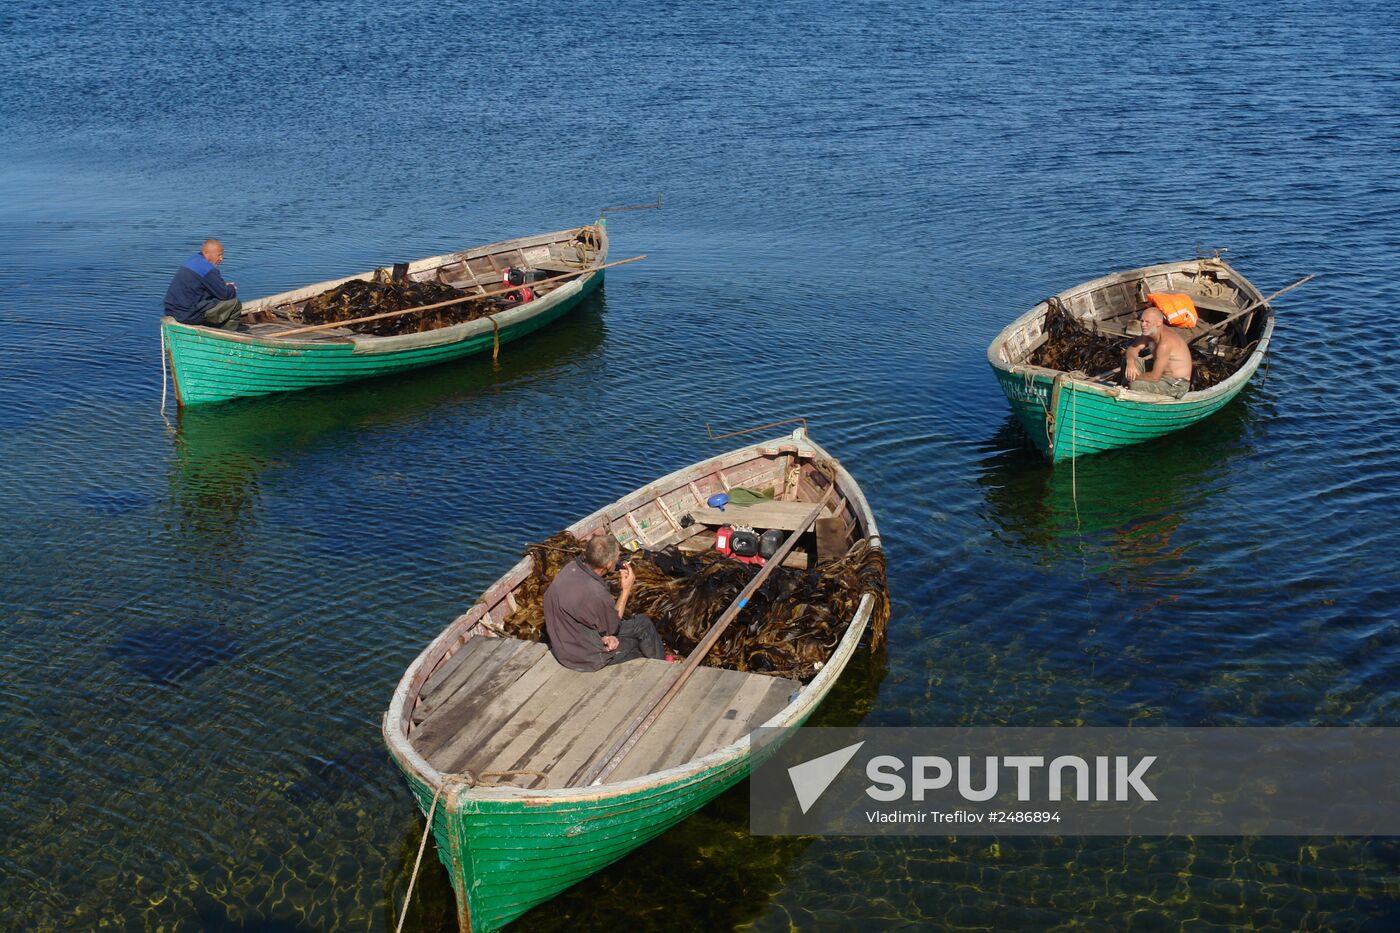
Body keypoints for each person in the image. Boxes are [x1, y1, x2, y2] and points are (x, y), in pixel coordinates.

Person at [543, 534, 666, 672]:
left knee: (642, 623)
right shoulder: (596, 593)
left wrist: (604, 637)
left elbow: (582, 617)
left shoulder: (570, 568)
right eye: (616, 557)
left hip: (566, 644)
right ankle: (662, 671)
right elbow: (613, 627)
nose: (618, 558)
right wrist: (626, 590)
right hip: (584, 658)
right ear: (608, 564)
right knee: (636, 645)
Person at [163, 239, 243, 330]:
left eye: (222, 255)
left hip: (171, 311)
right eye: (219, 255)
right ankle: (227, 336)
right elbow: (224, 294)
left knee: (213, 298)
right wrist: (231, 288)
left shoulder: (193, 260)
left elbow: (201, 284)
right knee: (235, 304)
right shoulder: (208, 269)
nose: (221, 259)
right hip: (188, 315)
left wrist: (222, 286)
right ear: (206, 253)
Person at [1123, 306, 1193, 398]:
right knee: (1132, 361)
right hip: (1159, 375)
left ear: (1158, 323)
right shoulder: (1149, 333)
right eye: (1142, 321)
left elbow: (1154, 377)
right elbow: (1132, 349)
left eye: (1147, 322)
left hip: (1175, 383)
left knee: (1135, 385)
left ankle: (1127, 395)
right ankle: (1121, 390)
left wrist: (1132, 378)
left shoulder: (1165, 343)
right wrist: (1130, 362)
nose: (1143, 324)